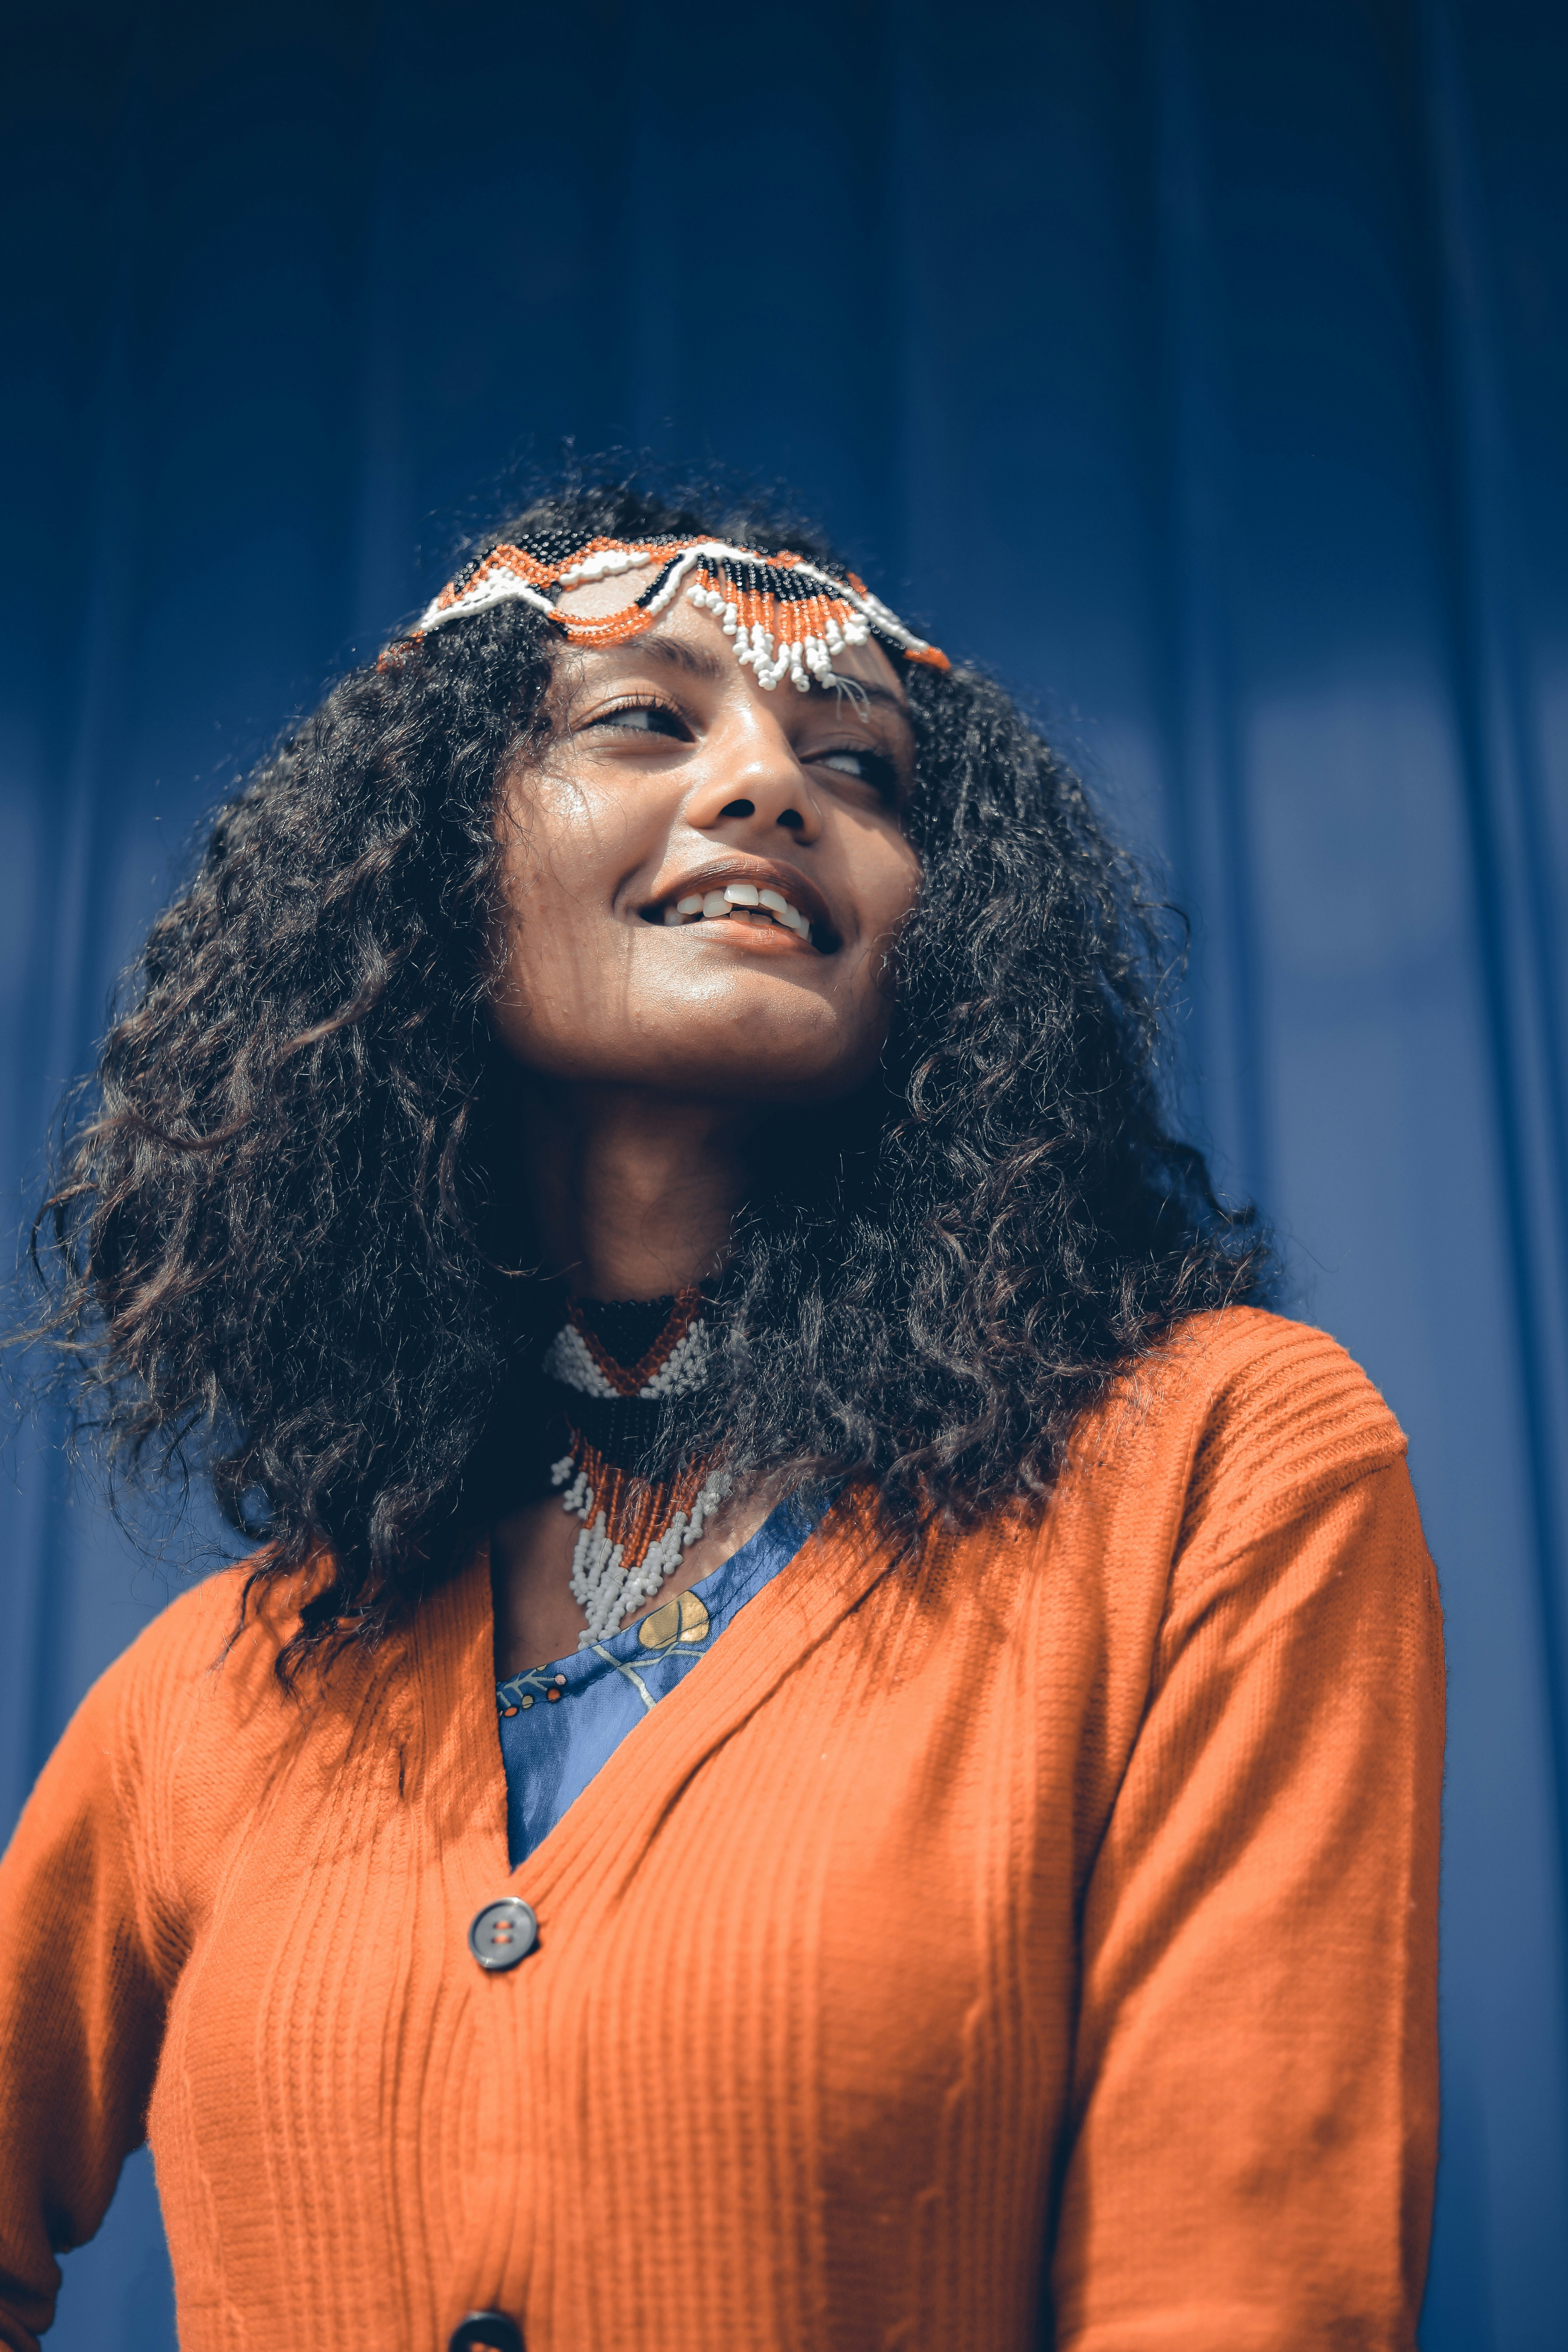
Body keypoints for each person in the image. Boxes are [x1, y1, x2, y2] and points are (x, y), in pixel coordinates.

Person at [0, 481, 1443, 2352]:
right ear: (422, 866)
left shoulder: (1222, 1472)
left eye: (863, 767)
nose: (772, 785)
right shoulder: (219, 1694)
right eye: (645, 719)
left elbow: (1247, 2304)